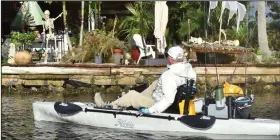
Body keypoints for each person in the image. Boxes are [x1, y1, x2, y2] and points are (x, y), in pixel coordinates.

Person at [94, 45, 197, 115]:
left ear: (170, 58)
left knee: (132, 95)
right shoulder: (189, 69)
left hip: (160, 103)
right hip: (172, 98)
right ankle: (122, 100)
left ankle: (109, 106)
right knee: (155, 83)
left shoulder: (169, 75)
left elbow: (168, 99)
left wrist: (150, 110)